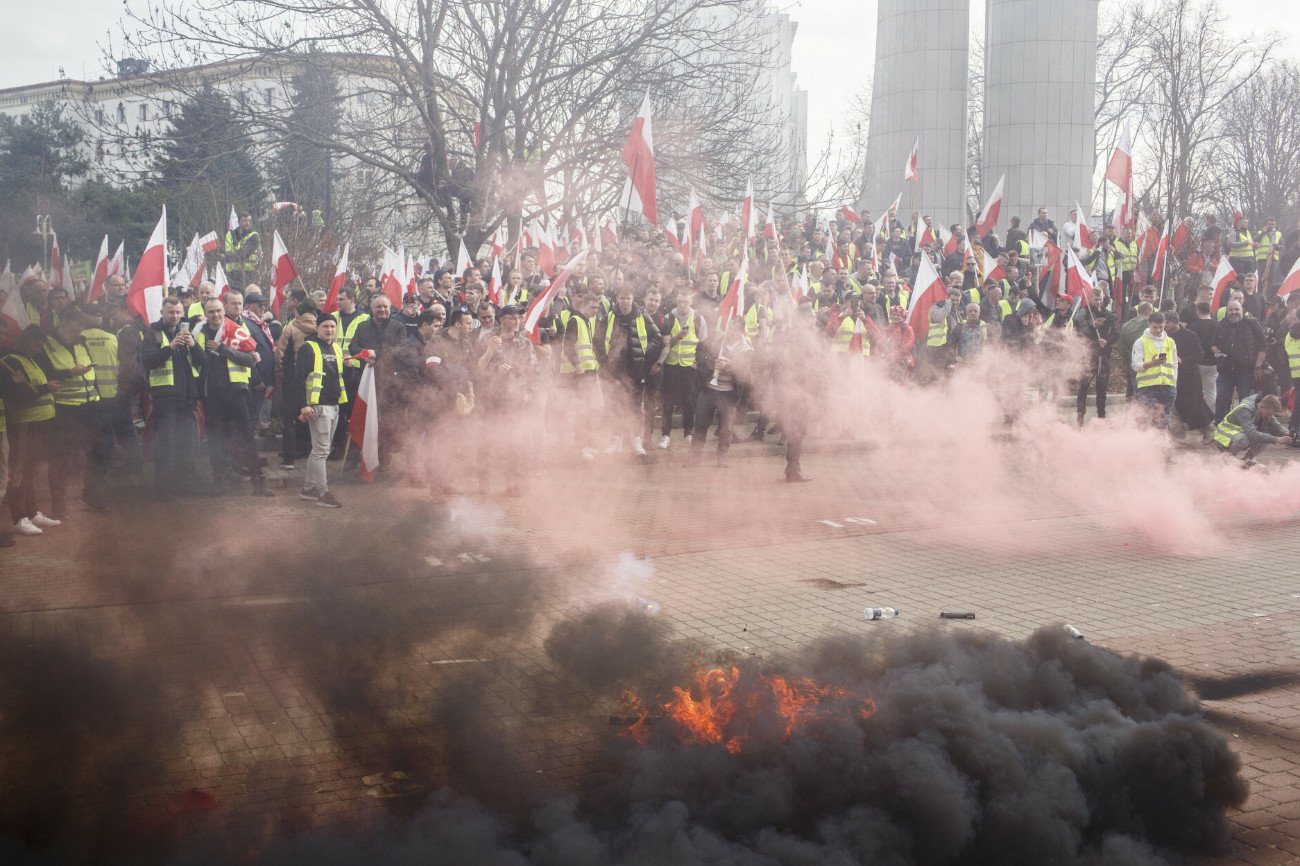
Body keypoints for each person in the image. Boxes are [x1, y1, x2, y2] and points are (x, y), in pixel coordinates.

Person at [196, 296, 272, 496]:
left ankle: (259, 481)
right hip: (211, 394)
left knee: (247, 437)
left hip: (236, 392)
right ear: (205, 313)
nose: (216, 315)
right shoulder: (199, 333)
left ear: (224, 311)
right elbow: (197, 360)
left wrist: (223, 350)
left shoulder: (236, 330)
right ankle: (220, 480)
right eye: (211, 311)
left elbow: (250, 359)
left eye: (219, 310)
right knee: (216, 439)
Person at [42, 312, 106, 515]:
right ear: (62, 324)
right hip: (65, 408)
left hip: (90, 405)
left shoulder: (81, 342)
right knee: (61, 456)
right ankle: (58, 503)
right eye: (73, 330)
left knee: (97, 453)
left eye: (80, 330)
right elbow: (43, 376)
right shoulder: (47, 345)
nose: (77, 334)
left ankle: (90, 494)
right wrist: (69, 373)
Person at [142, 297, 204, 499]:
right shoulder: (153, 333)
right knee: (166, 444)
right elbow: (148, 361)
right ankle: (163, 488)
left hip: (187, 398)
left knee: (186, 443)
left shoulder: (186, 332)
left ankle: (183, 485)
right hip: (165, 398)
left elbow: (202, 361)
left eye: (178, 312)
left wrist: (193, 344)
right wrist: (170, 347)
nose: (175, 316)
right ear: (162, 312)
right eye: (171, 312)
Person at [473, 304, 538, 496]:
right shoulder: (488, 339)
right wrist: (493, 359)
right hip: (490, 399)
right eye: (512, 317)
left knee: (514, 443)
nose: (517, 321)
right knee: (487, 442)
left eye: (519, 317)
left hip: (515, 400)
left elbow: (534, 371)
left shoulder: (524, 343)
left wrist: (529, 392)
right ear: (502, 320)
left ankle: (513, 484)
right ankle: (484, 483)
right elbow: (478, 367)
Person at [2, 327, 61, 536]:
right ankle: (19, 517)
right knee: (20, 472)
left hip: (41, 422)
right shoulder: (12, 362)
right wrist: (46, 388)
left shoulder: (31, 361)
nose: (38, 350)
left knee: (33, 470)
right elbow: (18, 395)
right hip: (25, 424)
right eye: (36, 345)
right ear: (26, 341)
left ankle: (32, 511)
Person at [596, 286, 663, 455]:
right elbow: (597, 340)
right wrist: (604, 361)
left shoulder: (642, 316)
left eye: (628, 298)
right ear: (617, 298)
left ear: (633, 299)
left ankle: (636, 441)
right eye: (622, 298)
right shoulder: (609, 316)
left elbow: (657, 337)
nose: (625, 302)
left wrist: (646, 352)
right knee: (615, 406)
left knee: (634, 406)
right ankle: (616, 441)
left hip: (636, 370)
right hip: (614, 369)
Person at [687, 314, 751, 468]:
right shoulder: (716, 340)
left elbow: (744, 373)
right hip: (708, 390)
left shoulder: (746, 349)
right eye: (730, 327)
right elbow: (701, 355)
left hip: (728, 393)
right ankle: (694, 457)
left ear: (741, 331)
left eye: (736, 328)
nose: (731, 331)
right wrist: (710, 365)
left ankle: (722, 458)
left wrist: (728, 367)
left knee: (725, 428)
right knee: (701, 424)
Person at [296, 315, 346, 508]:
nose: (330, 330)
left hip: (334, 404)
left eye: (333, 326)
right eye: (325, 326)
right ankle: (323, 493)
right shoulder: (309, 348)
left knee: (318, 450)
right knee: (321, 452)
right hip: (318, 406)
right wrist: (303, 405)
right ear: (317, 328)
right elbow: (299, 378)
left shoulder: (336, 348)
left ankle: (308, 490)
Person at [658, 290, 704, 450]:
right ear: (676, 301)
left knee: (690, 403)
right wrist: (676, 337)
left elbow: (703, 344)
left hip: (689, 367)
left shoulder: (698, 318)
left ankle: (688, 434)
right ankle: (665, 435)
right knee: (667, 403)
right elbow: (662, 343)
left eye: (686, 302)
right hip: (671, 366)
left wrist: (698, 362)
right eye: (680, 301)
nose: (683, 305)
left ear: (691, 302)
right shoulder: (668, 318)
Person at [1210, 299, 1267, 422]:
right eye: (1231, 310)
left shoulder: (1252, 323)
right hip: (1226, 369)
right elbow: (1213, 344)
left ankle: (1245, 428)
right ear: (1226, 311)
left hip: (1246, 371)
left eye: (1237, 309)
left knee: (1245, 401)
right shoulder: (1222, 324)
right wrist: (1217, 352)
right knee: (1221, 398)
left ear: (1242, 310)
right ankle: (1220, 426)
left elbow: (1263, 346)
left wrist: (1258, 367)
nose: (1234, 312)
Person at [1073, 288, 1117, 424]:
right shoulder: (1083, 313)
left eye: (1100, 299)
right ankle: (1080, 415)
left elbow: (1116, 333)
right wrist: (1092, 327)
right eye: (1095, 299)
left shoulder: (1109, 315)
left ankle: (1101, 416)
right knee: (1084, 385)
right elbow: (1080, 334)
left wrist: (1107, 341)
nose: (1098, 302)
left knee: (1102, 387)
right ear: (1090, 298)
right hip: (1088, 355)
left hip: (1104, 355)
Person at [1211, 393, 1291, 467]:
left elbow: (1276, 426)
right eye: (1268, 414)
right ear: (1261, 407)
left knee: (1267, 434)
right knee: (1244, 439)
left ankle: (1247, 460)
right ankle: (1227, 460)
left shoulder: (1264, 408)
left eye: (1272, 415)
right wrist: (1277, 439)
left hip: (1236, 436)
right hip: (1223, 438)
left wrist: (1287, 433)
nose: (1270, 417)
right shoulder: (1244, 410)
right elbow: (1253, 434)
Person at [1165, 317, 1214, 438]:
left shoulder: (1191, 336)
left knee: (1194, 407)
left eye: (1167, 322)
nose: (1164, 325)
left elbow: (1199, 355)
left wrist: (1182, 360)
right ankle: (1178, 435)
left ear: (1175, 321)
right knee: (1174, 407)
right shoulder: (1164, 337)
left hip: (1190, 377)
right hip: (1171, 376)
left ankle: (1208, 430)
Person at [1131, 311, 1178, 428]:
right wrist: (1152, 363)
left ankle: (1160, 444)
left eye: (1161, 327)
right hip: (1147, 388)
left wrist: (1174, 382)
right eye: (1155, 327)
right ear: (1149, 324)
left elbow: (1174, 364)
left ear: (1164, 324)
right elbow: (1135, 366)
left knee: (1163, 422)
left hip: (1168, 388)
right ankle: (1146, 445)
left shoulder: (1171, 342)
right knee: (1146, 422)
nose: (1158, 330)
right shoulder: (1140, 342)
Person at [223, 211, 261, 291]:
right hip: (231, 274)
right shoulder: (230, 235)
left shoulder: (254, 236)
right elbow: (227, 250)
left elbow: (243, 254)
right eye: (245, 221)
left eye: (249, 221)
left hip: (248, 274)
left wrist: (226, 258)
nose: (247, 223)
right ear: (238, 222)